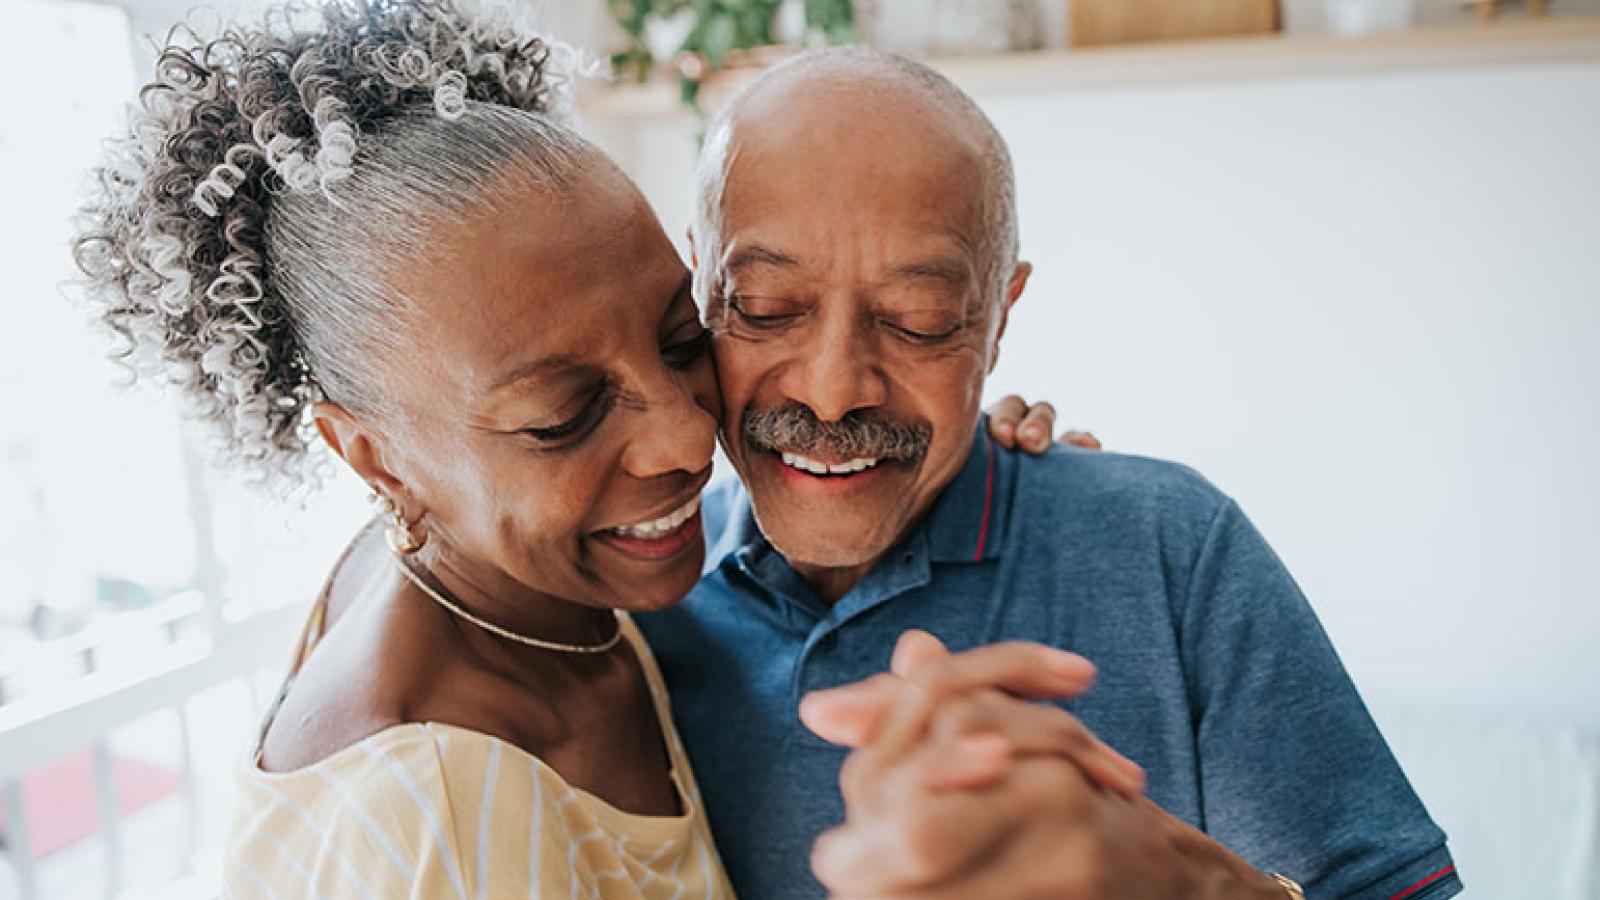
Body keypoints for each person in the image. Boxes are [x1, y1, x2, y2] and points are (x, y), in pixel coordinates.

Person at [72, 1, 1110, 897]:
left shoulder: (527, 582)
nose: (686, 435)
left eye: (679, 338)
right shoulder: (440, 821)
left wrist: (950, 436)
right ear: (375, 461)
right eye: (564, 414)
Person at [633, 46, 1466, 900]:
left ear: (999, 317)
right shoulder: (632, 615)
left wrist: (1201, 888)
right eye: (767, 308)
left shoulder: (1169, 548)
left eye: (920, 322)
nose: (835, 391)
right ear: (702, 289)